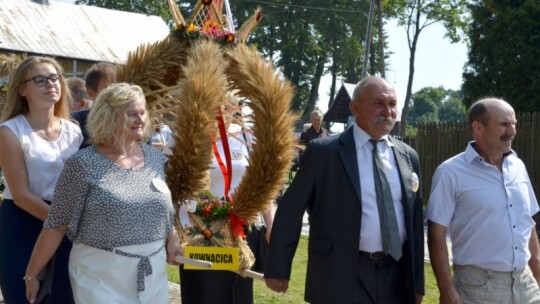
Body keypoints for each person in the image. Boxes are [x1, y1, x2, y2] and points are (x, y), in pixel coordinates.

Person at [264, 76, 424, 303]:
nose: (387, 111)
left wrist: (416, 281)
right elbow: (291, 210)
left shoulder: (408, 156)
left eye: (392, 104)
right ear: (355, 107)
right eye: (378, 103)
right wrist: (278, 267)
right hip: (341, 273)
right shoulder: (324, 152)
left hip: (395, 275)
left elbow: (415, 222)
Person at [25, 83, 182, 303]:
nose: (140, 120)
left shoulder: (154, 158)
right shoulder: (82, 164)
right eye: (131, 114)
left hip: (152, 272)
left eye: (142, 112)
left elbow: (160, 205)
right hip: (99, 273)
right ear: (109, 117)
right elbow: (56, 224)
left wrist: (172, 238)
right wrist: (32, 274)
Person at [426, 98, 540, 304]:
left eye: (514, 124)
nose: (512, 131)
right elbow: (436, 234)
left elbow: (527, 223)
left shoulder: (518, 166)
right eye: (504, 124)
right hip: (477, 287)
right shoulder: (450, 172)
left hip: (526, 284)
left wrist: (538, 275)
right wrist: (446, 289)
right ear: (478, 128)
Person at [0, 56, 82, 303]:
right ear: (22, 89)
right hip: (22, 224)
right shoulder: (10, 131)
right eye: (40, 79)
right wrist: (65, 225)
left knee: (64, 298)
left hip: (64, 226)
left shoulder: (74, 131)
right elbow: (22, 195)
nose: (51, 84)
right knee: (25, 299)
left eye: (55, 78)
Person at [179, 97, 274, 304]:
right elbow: (176, 187)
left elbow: (261, 184)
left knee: (238, 295)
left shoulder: (247, 137)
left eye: (226, 104)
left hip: (239, 231)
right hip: (202, 231)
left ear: (236, 107)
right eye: (216, 103)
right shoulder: (192, 138)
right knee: (204, 294)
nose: (221, 110)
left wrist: (270, 224)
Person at [71, 62, 116, 149]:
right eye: (109, 89)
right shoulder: (74, 123)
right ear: (91, 93)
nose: (117, 93)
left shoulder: (134, 123)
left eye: (120, 87)